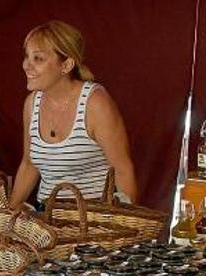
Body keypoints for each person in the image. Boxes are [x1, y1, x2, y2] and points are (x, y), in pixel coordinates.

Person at [9, 20, 139, 209]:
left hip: (93, 218)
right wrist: (9, 213)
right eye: (26, 57)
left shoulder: (95, 103)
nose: (26, 65)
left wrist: (126, 225)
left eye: (38, 58)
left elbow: (123, 169)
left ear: (67, 64)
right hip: (47, 216)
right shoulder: (31, 103)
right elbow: (29, 165)